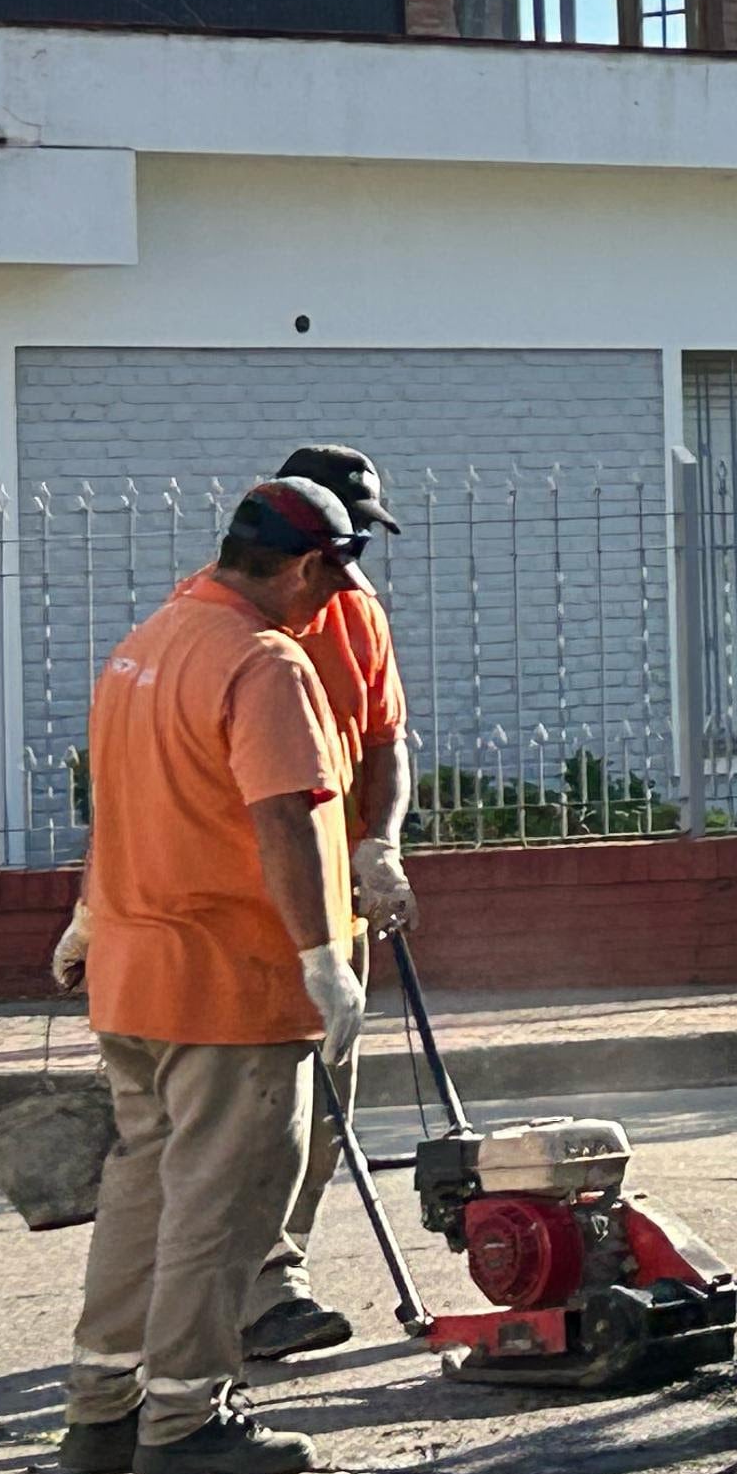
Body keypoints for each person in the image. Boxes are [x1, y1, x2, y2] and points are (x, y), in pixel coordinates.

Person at [58, 477, 369, 1474]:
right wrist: (324, 959)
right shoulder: (262, 661)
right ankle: (188, 1416)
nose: (335, 603)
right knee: (223, 1203)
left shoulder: (144, 646)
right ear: (312, 565)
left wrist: (91, 916)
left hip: (137, 972)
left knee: (142, 1190)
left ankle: (102, 1406)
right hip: (229, 984)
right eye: (336, 576)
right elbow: (283, 817)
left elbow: (121, 804)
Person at [242, 444, 415, 1361]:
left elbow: (386, 740)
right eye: (342, 547)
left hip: (336, 898)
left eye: (364, 545)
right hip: (245, 904)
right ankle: (255, 1291)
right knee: (260, 1107)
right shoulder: (231, 625)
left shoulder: (358, 613)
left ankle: (280, 1274)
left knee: (322, 1107)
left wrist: (378, 843)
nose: (354, 566)